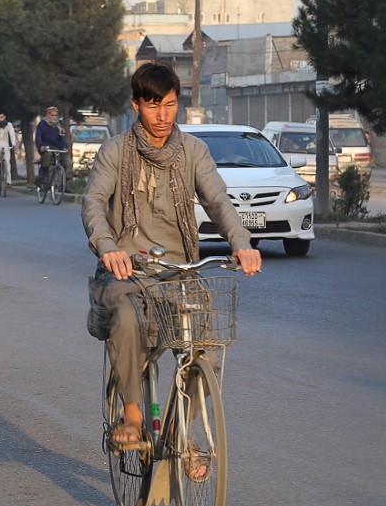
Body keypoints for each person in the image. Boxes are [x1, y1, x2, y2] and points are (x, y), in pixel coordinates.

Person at [81, 60, 261, 445]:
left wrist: (241, 243)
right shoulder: (114, 151)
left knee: (206, 352)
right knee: (126, 319)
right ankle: (131, 415)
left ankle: (181, 434)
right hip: (128, 272)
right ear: (136, 105)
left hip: (179, 273)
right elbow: (94, 203)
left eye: (170, 105)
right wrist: (109, 248)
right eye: (153, 106)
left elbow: (218, 201)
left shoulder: (193, 151)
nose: (162, 116)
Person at [35, 106, 70, 189]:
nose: (54, 117)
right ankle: (44, 178)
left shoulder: (59, 124)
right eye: (52, 115)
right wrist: (41, 146)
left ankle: (64, 184)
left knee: (68, 162)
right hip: (46, 147)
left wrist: (65, 146)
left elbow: (63, 137)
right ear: (48, 115)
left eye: (55, 115)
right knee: (48, 158)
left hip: (59, 147)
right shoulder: (42, 124)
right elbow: (38, 136)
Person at [0, 111, 18, 185]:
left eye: (1, 117)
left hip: (5, 145)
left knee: (7, 162)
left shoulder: (8, 124)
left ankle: (8, 181)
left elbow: (12, 134)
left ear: (4, 117)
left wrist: (13, 144)